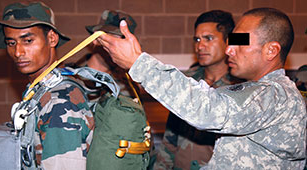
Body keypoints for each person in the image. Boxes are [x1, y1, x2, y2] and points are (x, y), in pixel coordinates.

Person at [97, 7, 307, 169]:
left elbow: (208, 109)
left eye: (240, 42)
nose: (229, 50)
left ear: (271, 50)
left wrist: (137, 62)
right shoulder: (264, 92)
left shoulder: (275, 94)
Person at [0, 2, 94, 169]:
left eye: (28, 40)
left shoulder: (58, 101)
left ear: (51, 38)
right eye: (11, 43)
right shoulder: (40, 90)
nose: (18, 52)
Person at [150, 10, 243, 170]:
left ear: (228, 41)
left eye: (209, 38)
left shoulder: (241, 86)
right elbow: (171, 136)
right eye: (197, 39)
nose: (200, 46)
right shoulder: (186, 82)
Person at [70, 10, 139, 97]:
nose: (118, 47)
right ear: (95, 40)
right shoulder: (72, 78)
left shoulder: (129, 87)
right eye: (113, 40)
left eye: (123, 42)